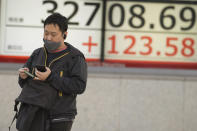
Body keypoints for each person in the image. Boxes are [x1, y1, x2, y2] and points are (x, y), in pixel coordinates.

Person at [16, 13, 87, 131]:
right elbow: (23, 84)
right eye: (46, 33)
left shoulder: (75, 57)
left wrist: (50, 77)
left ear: (65, 34)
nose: (48, 38)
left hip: (59, 116)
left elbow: (79, 86)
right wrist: (23, 76)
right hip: (33, 112)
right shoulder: (37, 53)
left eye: (53, 34)